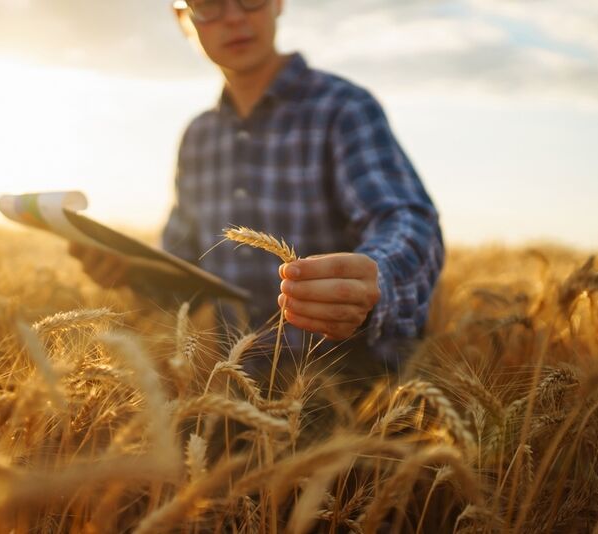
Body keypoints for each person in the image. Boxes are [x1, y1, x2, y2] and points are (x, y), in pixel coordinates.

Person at [70, 0, 444, 378]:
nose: (233, 17)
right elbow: (185, 278)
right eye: (208, 4)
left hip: (355, 393)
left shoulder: (343, 109)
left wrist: (376, 277)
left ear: (278, 3)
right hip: (241, 389)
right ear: (183, 17)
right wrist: (130, 272)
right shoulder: (199, 138)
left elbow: (405, 219)